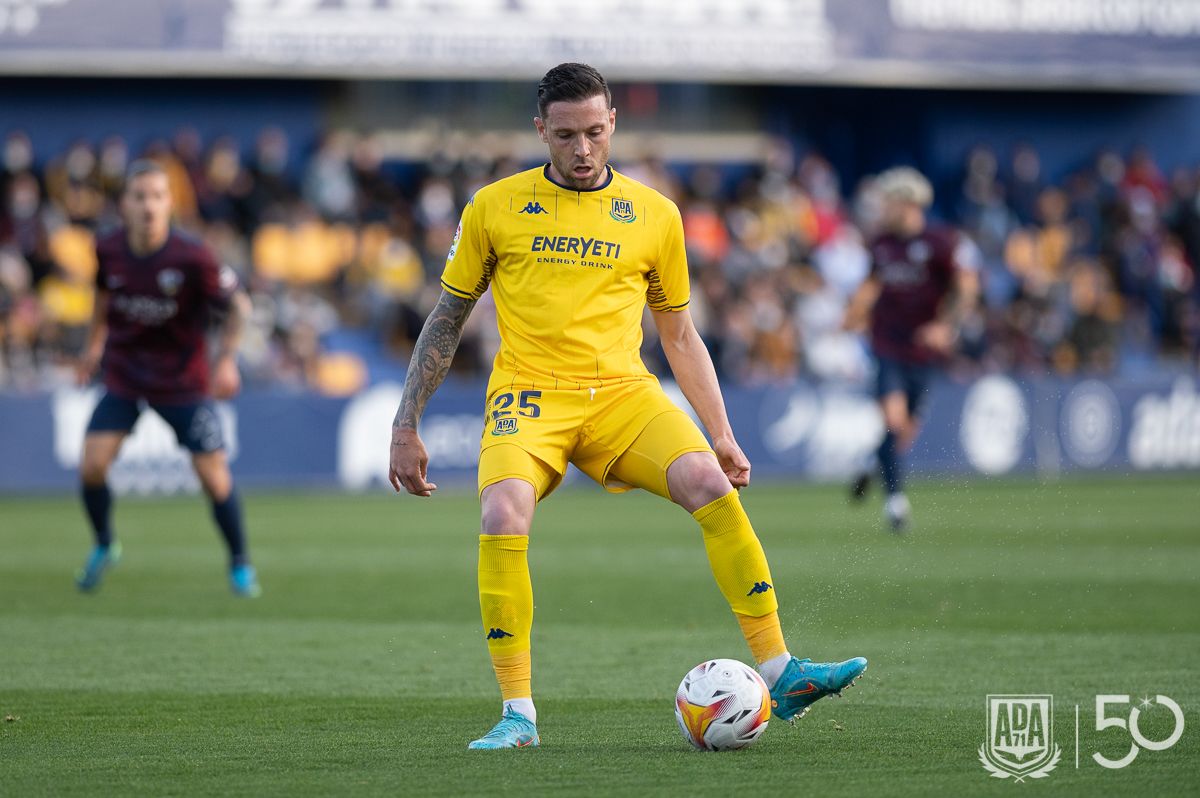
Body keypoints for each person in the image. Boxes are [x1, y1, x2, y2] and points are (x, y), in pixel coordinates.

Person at [389, 63, 866, 750]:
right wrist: (406, 423)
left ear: (613, 123)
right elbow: (446, 317)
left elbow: (677, 332)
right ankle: (518, 715)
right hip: (530, 398)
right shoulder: (493, 206)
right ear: (539, 131)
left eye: (593, 132)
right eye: (564, 136)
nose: (581, 150)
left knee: (708, 481)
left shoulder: (655, 215)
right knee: (501, 510)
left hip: (622, 395)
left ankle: (782, 671)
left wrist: (721, 433)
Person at [74, 160, 259, 597]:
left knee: (214, 478)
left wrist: (227, 360)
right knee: (92, 465)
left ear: (170, 203)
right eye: (139, 196)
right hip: (125, 373)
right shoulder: (108, 248)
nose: (149, 206)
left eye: (157, 196)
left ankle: (240, 563)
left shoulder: (193, 256)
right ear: (124, 204)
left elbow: (240, 307)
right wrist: (93, 345)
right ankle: (105, 544)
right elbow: (102, 295)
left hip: (182, 380)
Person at [844, 167, 980, 531]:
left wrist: (946, 326)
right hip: (887, 343)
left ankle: (872, 466)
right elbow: (872, 284)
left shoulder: (942, 242)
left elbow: (966, 287)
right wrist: (854, 311)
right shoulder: (881, 243)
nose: (881, 209)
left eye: (887, 201)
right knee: (893, 420)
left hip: (923, 351)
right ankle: (896, 505)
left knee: (903, 434)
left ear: (906, 204)